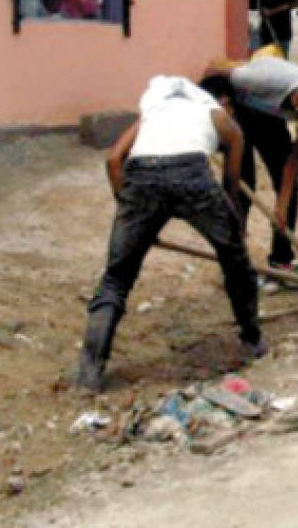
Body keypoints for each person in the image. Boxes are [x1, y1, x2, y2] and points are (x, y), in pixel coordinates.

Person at [76, 75, 263, 393]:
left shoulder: (153, 112)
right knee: (234, 260)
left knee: (116, 278)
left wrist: (131, 215)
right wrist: (234, 225)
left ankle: (90, 373)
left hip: (141, 177)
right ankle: (252, 338)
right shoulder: (217, 115)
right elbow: (233, 180)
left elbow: (112, 160)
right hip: (193, 176)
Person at [205, 56, 298, 271]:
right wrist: (219, 114)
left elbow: (294, 159)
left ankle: (281, 258)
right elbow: (214, 73)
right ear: (297, 104)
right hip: (238, 110)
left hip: (269, 116)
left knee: (289, 188)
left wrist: (282, 205)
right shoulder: (254, 79)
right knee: (240, 185)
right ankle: (233, 261)